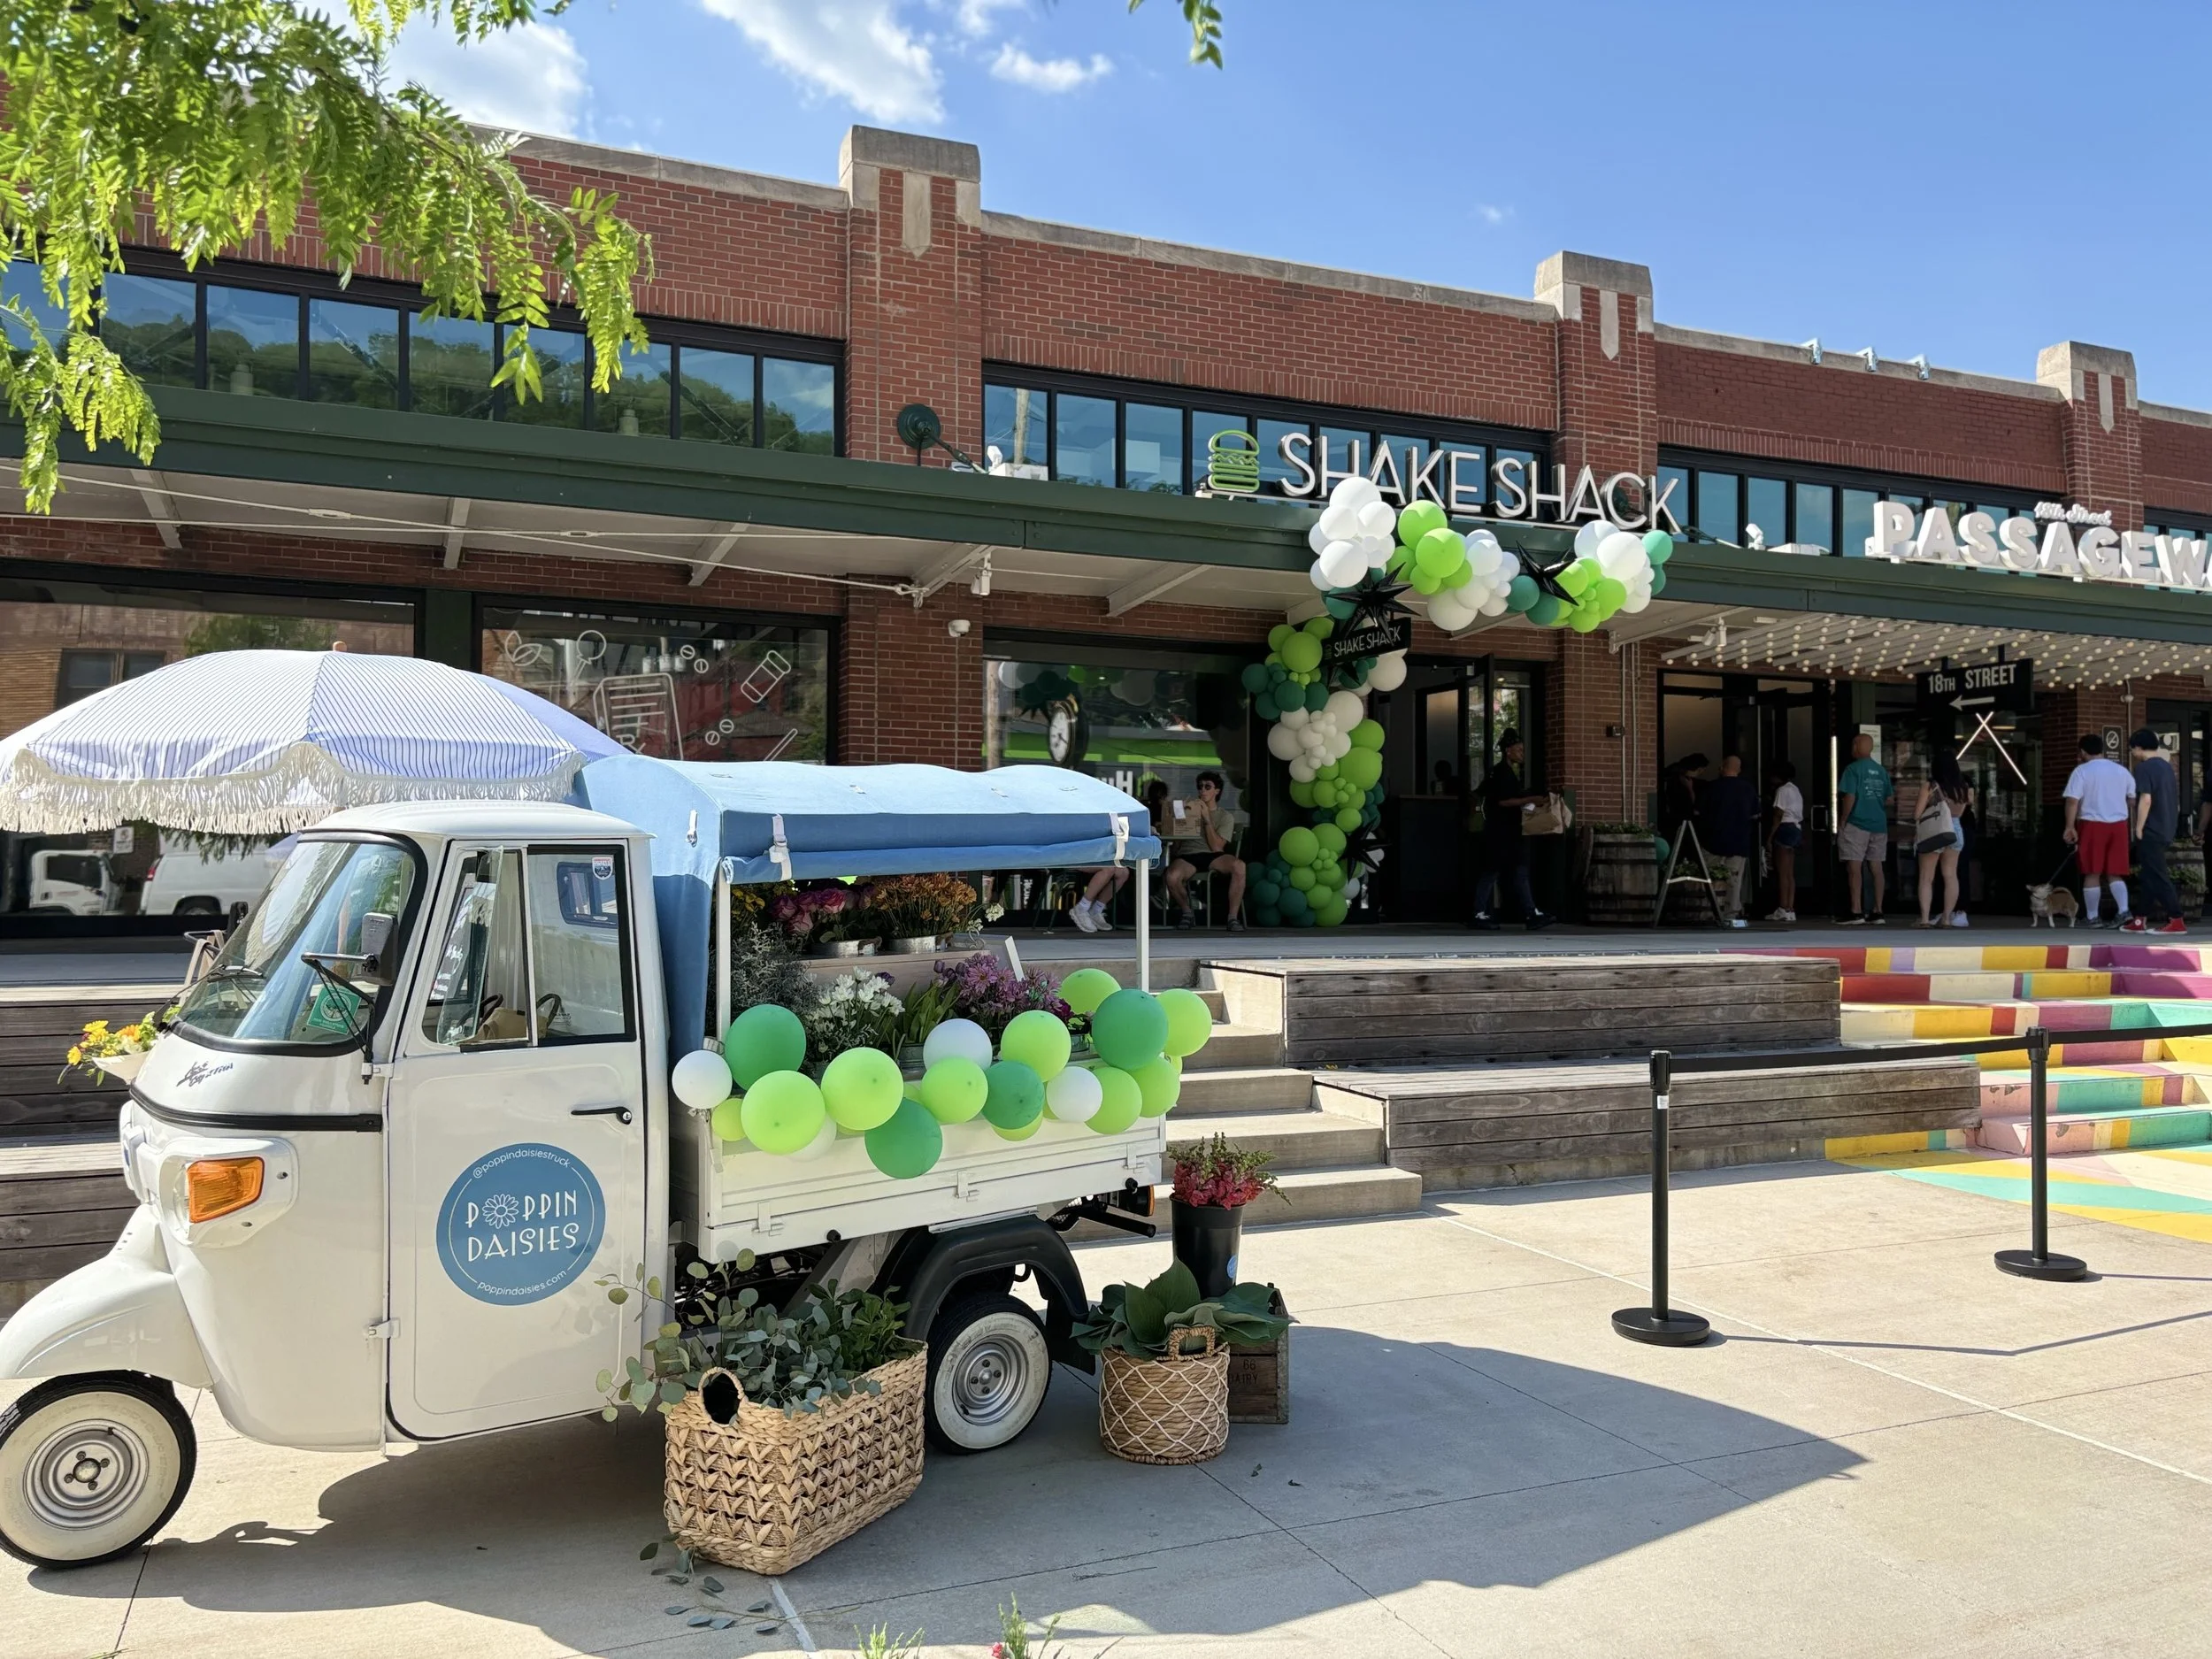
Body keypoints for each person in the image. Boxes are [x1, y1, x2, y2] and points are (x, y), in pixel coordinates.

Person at [1471, 730, 1554, 931]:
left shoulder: (1502, 772)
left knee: (1516, 871)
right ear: (1508, 751)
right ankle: (1480, 914)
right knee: (1494, 872)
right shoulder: (1502, 773)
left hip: (1505, 831)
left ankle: (1530, 912)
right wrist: (1530, 800)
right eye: (1518, 750)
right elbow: (1503, 801)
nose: (1522, 754)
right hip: (1500, 832)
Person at [1069, 780, 1167, 933]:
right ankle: (1081, 908)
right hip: (1070, 855)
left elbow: (1116, 827)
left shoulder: (1101, 810)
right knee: (1109, 868)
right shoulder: (1074, 810)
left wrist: (1146, 829)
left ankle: (1096, 909)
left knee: (1123, 872)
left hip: (1092, 855)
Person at [2062, 732, 2136, 927]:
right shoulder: (2122, 771)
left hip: (2091, 823)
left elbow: (2072, 801)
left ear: (2082, 752)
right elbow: (2132, 799)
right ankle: (2124, 911)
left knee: (2092, 871)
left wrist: (2070, 827)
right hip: (2119, 824)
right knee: (2115, 871)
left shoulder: (2081, 771)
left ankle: (2093, 917)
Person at [1164, 771, 1246, 930]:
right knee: (1171, 876)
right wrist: (1179, 825)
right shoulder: (1189, 811)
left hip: (1213, 856)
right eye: (1200, 786)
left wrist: (1207, 819)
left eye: (1207, 786)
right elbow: (1176, 849)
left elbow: (1217, 847)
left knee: (1239, 866)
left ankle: (1232, 918)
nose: (1203, 790)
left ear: (1217, 791)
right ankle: (1187, 913)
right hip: (1188, 855)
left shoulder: (1224, 816)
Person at [2127, 729, 2185, 933]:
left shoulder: (2143, 768)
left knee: (2158, 875)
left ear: (2138, 747)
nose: (2132, 753)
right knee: (2150, 874)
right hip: (2167, 826)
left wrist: (2138, 827)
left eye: (2132, 749)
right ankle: (2140, 919)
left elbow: (2146, 799)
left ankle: (2176, 918)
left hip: (2152, 828)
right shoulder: (2166, 767)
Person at [1836, 733, 1893, 925]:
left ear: (1858, 746)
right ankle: (1878, 911)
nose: (1852, 748)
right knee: (1876, 867)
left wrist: (1843, 819)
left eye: (1854, 744)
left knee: (1854, 866)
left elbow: (1849, 796)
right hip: (1879, 824)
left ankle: (1856, 911)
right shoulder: (1881, 770)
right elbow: (1889, 799)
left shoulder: (1852, 770)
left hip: (1857, 823)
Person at [1912, 754, 1972, 927]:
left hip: (1935, 830)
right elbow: (1960, 813)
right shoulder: (1963, 787)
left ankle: (1924, 919)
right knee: (1951, 875)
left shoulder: (1930, 786)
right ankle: (1946, 919)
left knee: (1926, 877)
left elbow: (1917, 814)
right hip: (1955, 830)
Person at [1702, 755, 1761, 926]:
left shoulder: (1711, 788)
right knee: (1734, 880)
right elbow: (1756, 814)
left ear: (1722, 767)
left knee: (1711, 878)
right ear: (1739, 769)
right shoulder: (1748, 789)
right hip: (1739, 842)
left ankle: (1710, 910)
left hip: (1712, 841)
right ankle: (1731, 914)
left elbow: (1698, 812)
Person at [1765, 761, 1803, 923]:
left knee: (1781, 872)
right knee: (1789, 872)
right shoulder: (1795, 789)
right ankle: (1790, 908)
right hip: (1795, 828)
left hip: (1784, 828)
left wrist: (1769, 837)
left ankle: (1782, 907)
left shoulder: (1782, 790)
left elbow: (1778, 814)